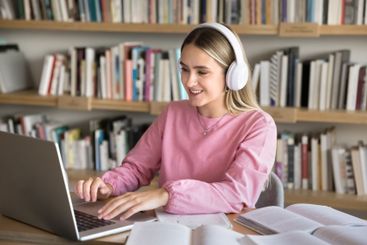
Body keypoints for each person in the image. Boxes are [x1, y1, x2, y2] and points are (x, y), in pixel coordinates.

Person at [75, 23, 277, 221]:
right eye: (185, 69)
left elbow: (237, 193)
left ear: (233, 75)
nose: (189, 81)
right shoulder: (173, 112)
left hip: (226, 232)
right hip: (170, 227)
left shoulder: (258, 125)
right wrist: (109, 185)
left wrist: (165, 195)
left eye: (202, 72)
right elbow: (137, 168)